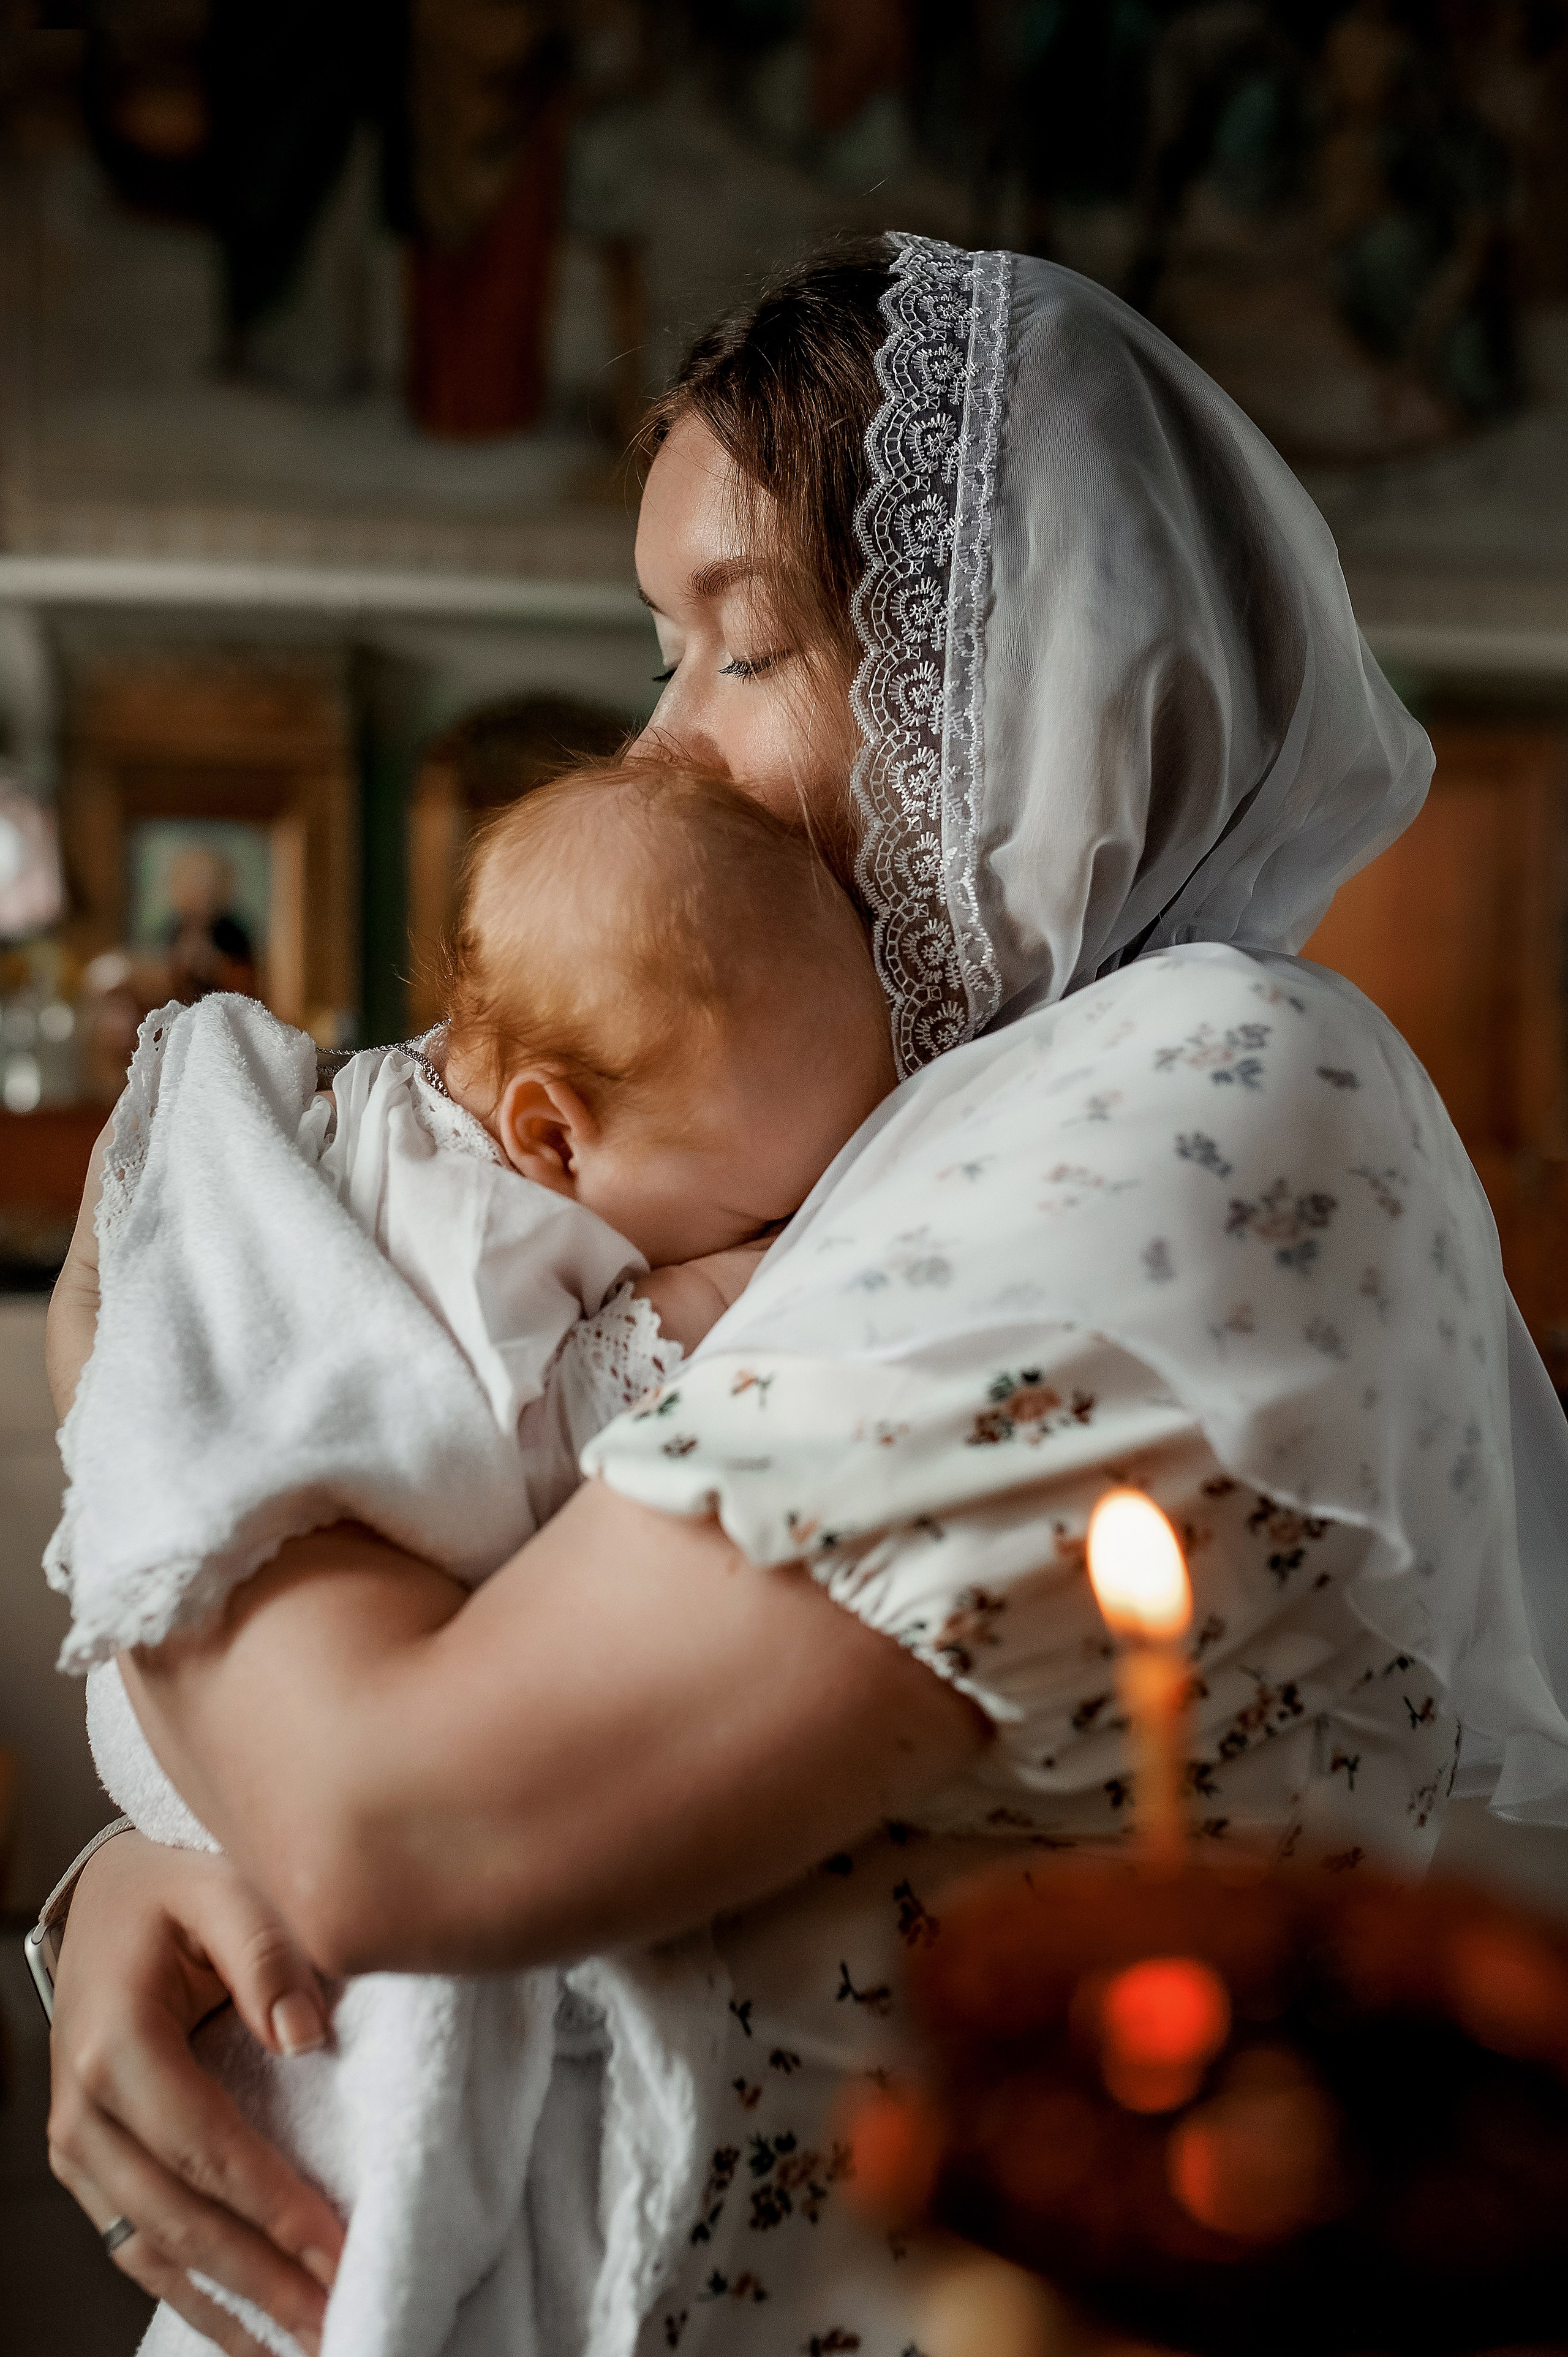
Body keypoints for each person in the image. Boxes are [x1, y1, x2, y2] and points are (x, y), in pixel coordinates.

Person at [40, 236, 1568, 2357]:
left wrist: (121, 1351)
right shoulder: (831, 1153)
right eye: (662, 650)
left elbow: (401, 1819)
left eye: (740, 653)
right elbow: (463, 1631)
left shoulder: (1210, 1081)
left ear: (1023, 683)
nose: (659, 751)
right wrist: (151, 1870)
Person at [48, 759, 894, 2357]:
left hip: (301, 1745)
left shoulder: (404, 1122)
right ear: (552, 1137)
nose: (763, 1252)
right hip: (303, 1741)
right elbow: (535, 1448)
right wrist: (707, 1310)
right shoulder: (484, 1222)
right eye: (747, 1217)